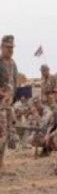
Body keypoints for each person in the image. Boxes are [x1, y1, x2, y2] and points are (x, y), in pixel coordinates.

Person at [0, 35, 18, 169]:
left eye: (12, 47)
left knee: (6, 134)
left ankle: (1, 162)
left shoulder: (13, 64)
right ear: (2, 47)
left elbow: (14, 83)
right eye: (8, 47)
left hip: (8, 106)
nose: (10, 50)